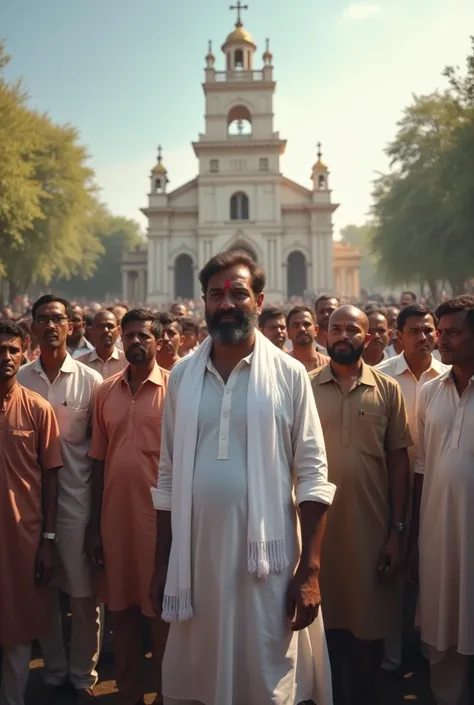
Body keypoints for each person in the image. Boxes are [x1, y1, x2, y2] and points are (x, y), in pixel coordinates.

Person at [150, 251, 336, 705]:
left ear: (258, 299)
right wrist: (163, 563)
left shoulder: (290, 375)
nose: (227, 303)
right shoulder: (182, 377)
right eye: (216, 295)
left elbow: (314, 473)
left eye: (238, 293)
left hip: (267, 564)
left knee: (266, 677)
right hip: (197, 560)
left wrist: (309, 570)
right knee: (200, 675)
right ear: (204, 302)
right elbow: (169, 473)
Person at [310, 305, 411, 705]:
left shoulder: (388, 389)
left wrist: (397, 532)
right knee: (323, 631)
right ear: (324, 334)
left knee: (367, 635)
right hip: (316, 532)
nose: (344, 335)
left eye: (353, 329)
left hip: (371, 532)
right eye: (336, 328)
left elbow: (399, 461)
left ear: (368, 339)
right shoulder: (303, 386)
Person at [18, 295, 103, 703]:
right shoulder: (17, 379)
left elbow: (99, 452)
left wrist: (97, 519)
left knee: (85, 597)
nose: (51, 326)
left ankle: (82, 677)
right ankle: (53, 672)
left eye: (58, 319)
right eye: (43, 319)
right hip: (28, 507)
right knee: (43, 592)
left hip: (77, 505)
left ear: (72, 326)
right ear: (32, 327)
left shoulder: (90, 382)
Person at [87, 310, 169, 705]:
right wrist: (93, 526)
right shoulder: (104, 391)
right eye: (130, 335)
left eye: (144, 336)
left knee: (161, 618)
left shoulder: (176, 389)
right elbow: (98, 461)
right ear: (122, 339)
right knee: (122, 614)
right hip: (115, 523)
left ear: (158, 342)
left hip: (160, 527)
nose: (136, 342)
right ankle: (129, 694)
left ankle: (168, 694)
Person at [409, 295, 474, 705]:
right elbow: (421, 467)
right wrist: (413, 533)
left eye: (452, 333)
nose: (441, 340)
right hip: (438, 535)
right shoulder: (430, 392)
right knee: (443, 629)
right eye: (439, 332)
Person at [376, 304, 449, 669]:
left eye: (429, 330)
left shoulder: (452, 376)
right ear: (398, 336)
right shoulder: (381, 378)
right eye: (415, 331)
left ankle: (428, 652)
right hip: (390, 490)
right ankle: (391, 658)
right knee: (392, 568)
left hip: (439, 492)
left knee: (434, 569)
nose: (424, 338)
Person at [0, 321, 62, 705]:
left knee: (18, 626)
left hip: (23, 538)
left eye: (12, 350)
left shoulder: (38, 409)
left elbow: (52, 479)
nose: (5, 357)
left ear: (26, 354)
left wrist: (49, 541)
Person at [79, 310, 127, 379]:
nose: (106, 330)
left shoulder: (128, 362)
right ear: (91, 331)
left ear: (119, 330)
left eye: (110, 326)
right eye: (100, 326)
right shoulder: (80, 364)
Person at [287, 306, 329, 372]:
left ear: (316, 330)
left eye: (306, 324)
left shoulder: (328, 365)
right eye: (296, 325)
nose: (302, 329)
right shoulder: (280, 365)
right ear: (288, 333)